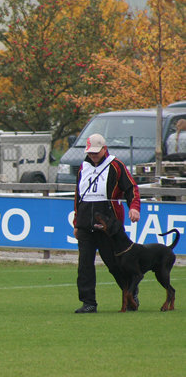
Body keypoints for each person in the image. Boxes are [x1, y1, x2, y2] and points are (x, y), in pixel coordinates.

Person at [74, 133, 140, 313]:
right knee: (84, 265)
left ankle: (130, 293)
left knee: (115, 264)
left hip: (109, 227)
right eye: (91, 152)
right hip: (86, 224)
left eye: (96, 152)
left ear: (104, 149)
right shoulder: (83, 167)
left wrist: (134, 207)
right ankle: (89, 303)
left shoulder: (116, 165)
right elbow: (78, 197)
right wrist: (76, 223)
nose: (93, 155)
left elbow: (131, 188)